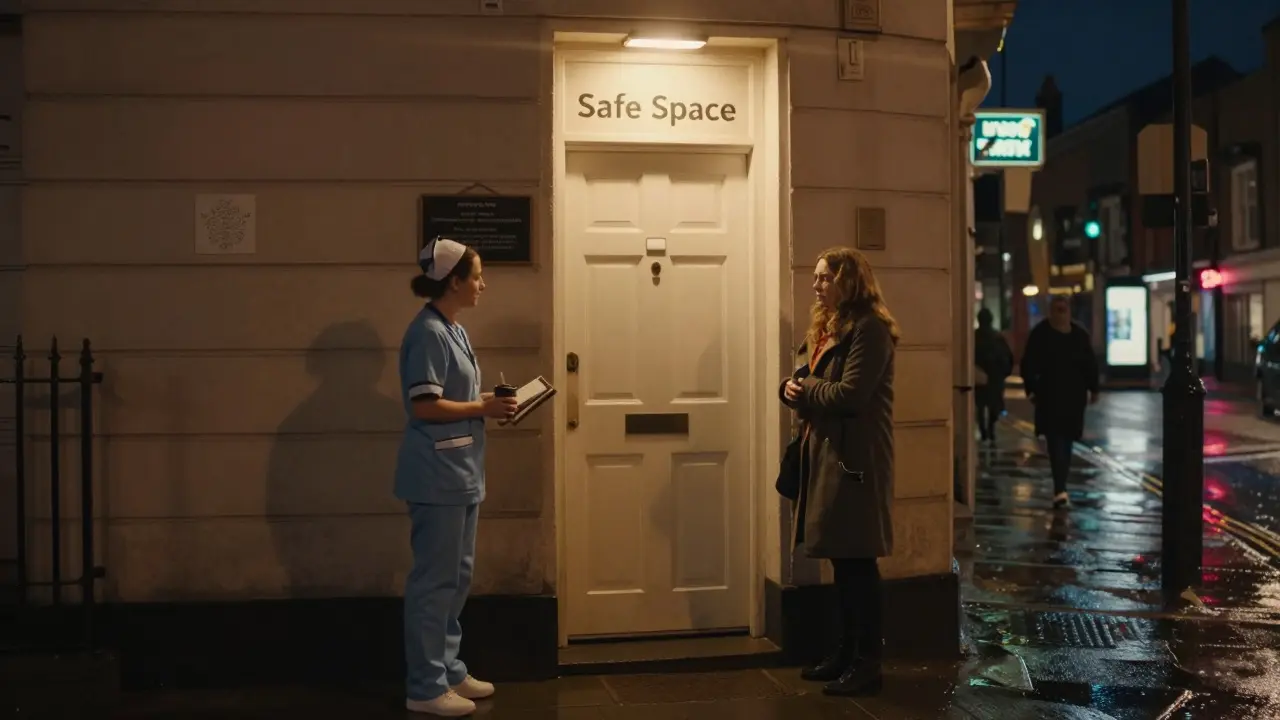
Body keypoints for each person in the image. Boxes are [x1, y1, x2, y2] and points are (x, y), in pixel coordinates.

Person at [396, 237, 518, 717]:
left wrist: (492, 402)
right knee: (434, 583)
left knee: (457, 577)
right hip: (436, 477)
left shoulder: (454, 330)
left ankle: (448, 669)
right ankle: (425, 686)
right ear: (454, 282)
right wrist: (482, 408)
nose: (482, 285)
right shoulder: (427, 332)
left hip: (460, 473)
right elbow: (424, 405)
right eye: (477, 276)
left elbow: (455, 397)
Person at [780, 246, 898, 697]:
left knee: (858, 561)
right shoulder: (828, 327)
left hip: (855, 460)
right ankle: (845, 653)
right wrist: (789, 387)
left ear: (849, 281)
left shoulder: (870, 329)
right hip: (828, 455)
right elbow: (806, 375)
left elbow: (851, 394)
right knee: (841, 559)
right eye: (816, 277)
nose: (816, 285)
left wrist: (806, 387)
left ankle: (867, 662)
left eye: (825, 278)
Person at [1019, 294, 1099, 510]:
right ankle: (1060, 488)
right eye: (1057, 310)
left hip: (1073, 398)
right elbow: (1028, 364)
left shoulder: (1079, 335)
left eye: (1064, 310)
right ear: (1051, 311)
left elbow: (1089, 363)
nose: (1061, 314)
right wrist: (1031, 389)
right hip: (1050, 397)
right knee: (1056, 442)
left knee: (1067, 441)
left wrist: (1093, 388)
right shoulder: (1040, 334)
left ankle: (1060, 486)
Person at [973, 307, 1014, 447]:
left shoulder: (974, 337)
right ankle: (990, 429)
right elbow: (1007, 357)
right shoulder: (998, 337)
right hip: (995, 378)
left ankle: (983, 431)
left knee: (980, 405)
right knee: (994, 405)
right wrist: (1004, 373)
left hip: (979, 376)